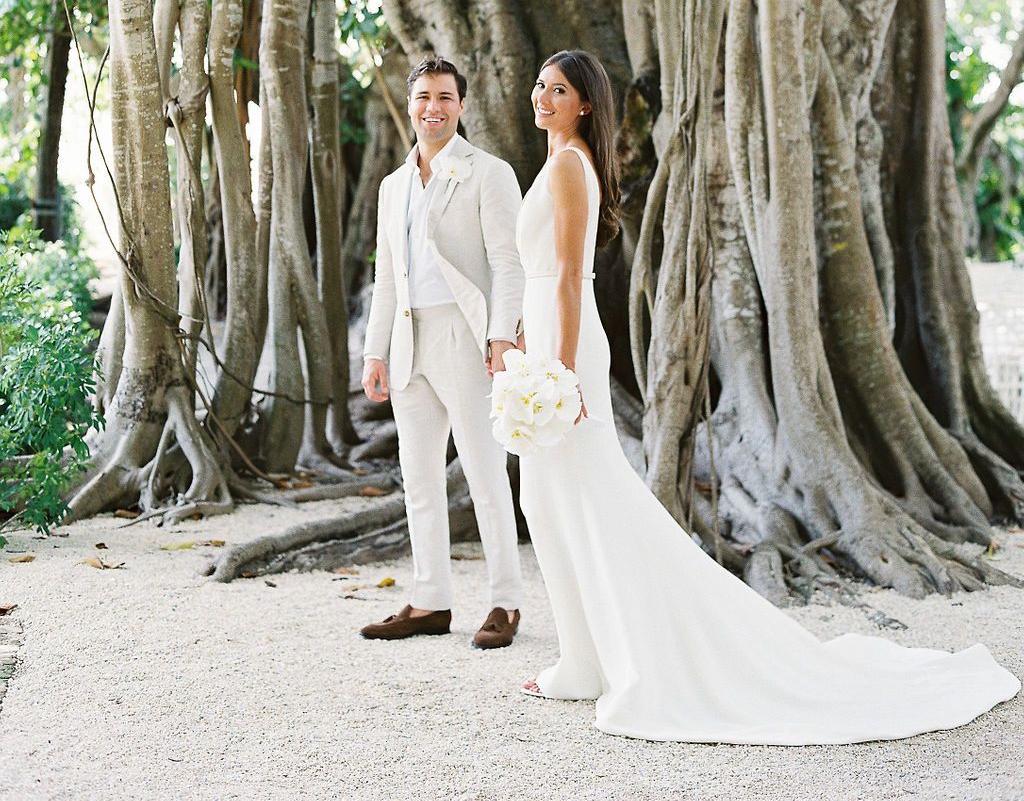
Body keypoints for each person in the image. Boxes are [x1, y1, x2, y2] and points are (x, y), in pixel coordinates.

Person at [515, 47, 1020, 742]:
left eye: (559, 88)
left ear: (587, 103)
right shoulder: (553, 163)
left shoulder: (571, 165)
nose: (543, 96)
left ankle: (591, 659)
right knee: (544, 496)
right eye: (540, 85)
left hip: (565, 346)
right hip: (544, 336)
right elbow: (541, 275)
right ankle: (581, 656)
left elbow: (571, 277)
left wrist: (561, 370)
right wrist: (522, 337)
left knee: (579, 493)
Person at [360, 56, 524, 649]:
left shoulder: (489, 173)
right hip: (408, 343)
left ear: (461, 106)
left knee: (484, 473)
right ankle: (430, 599)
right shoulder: (392, 186)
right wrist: (374, 351)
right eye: (424, 96)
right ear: (410, 104)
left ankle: (505, 602)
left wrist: (501, 334)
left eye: (446, 98)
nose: (434, 108)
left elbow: (508, 261)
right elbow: (386, 276)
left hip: (465, 336)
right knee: (419, 478)